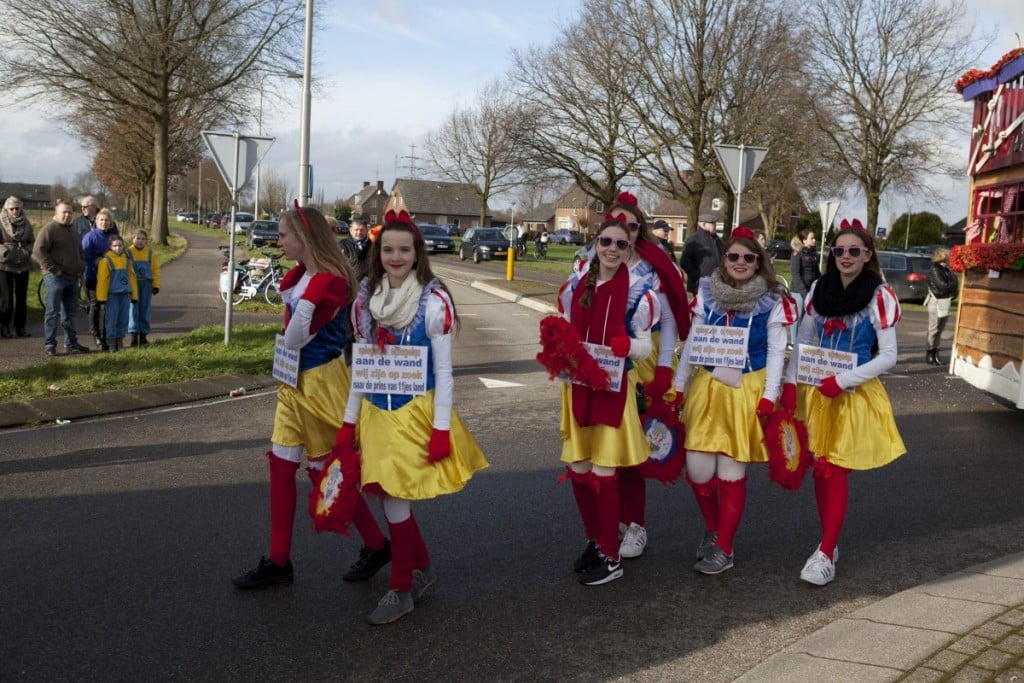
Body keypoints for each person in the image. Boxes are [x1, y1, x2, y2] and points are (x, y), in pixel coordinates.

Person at [336, 208, 488, 624]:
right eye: (388, 249)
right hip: (375, 414)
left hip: (413, 413)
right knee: (391, 498)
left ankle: (400, 588)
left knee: (395, 500)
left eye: (404, 249)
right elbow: (362, 368)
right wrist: (349, 422)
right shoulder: (366, 301)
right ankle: (419, 568)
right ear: (378, 252)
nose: (396, 257)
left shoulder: (433, 302)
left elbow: (444, 372)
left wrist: (441, 430)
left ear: (417, 253)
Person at [233, 204, 392, 591]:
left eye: (284, 235)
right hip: (292, 381)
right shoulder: (301, 276)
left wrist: (304, 306)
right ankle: (278, 559)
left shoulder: (329, 281)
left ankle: (378, 545)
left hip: (321, 384)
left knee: (329, 473)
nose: (279, 242)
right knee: (281, 466)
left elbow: (294, 337)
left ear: (304, 238)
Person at [781, 219, 906, 586]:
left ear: (867, 255)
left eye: (854, 250)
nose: (846, 256)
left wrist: (843, 380)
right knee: (820, 468)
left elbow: (889, 356)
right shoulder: (818, 289)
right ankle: (829, 544)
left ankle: (825, 553)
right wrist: (790, 384)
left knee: (834, 469)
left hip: (852, 394)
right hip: (817, 392)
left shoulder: (879, 296)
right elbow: (804, 343)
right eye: (839, 250)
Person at [673, 227, 796, 575]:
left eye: (748, 257)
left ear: (758, 262)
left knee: (730, 472)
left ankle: (725, 547)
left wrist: (770, 395)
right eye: (733, 256)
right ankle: (713, 528)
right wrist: (679, 385)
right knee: (698, 471)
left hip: (746, 389)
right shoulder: (707, 294)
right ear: (724, 259)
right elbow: (693, 344)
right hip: (707, 389)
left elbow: (776, 352)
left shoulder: (772, 301)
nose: (740, 262)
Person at [551, 217, 660, 586]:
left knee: (604, 471)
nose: (612, 249)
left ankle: (612, 556)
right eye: (606, 242)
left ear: (630, 249)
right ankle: (596, 540)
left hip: (614, 389)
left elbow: (644, 346)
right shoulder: (575, 284)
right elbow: (567, 328)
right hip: (578, 386)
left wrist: (629, 346)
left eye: (621, 244)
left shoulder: (640, 294)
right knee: (579, 468)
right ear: (595, 243)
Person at [32, 201, 90, 356]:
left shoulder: (73, 230)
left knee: (69, 313)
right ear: (56, 213)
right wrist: (53, 269)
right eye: (64, 212)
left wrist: (81, 265)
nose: (67, 215)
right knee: (52, 312)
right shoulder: (50, 229)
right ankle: (50, 345)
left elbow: (79, 250)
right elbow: (38, 250)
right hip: (55, 278)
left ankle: (71, 343)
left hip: (73, 277)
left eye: (70, 212)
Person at [82, 208, 121, 350]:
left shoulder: (114, 237)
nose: (104, 222)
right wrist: (95, 264)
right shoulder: (90, 237)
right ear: (97, 221)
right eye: (101, 220)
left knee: (109, 307)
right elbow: (85, 257)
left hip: (111, 277)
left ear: (111, 222)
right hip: (93, 276)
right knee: (95, 306)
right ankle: (96, 336)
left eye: (107, 220)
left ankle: (107, 335)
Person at [95, 234, 138, 352]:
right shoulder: (106, 261)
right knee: (112, 319)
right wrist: (101, 297)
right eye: (114, 246)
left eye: (120, 245)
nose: (118, 248)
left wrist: (134, 295)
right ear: (110, 247)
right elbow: (102, 280)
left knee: (123, 318)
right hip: (112, 295)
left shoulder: (127, 260)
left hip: (125, 294)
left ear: (123, 246)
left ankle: (120, 341)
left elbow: (132, 278)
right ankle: (111, 343)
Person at [0, 196, 34, 338]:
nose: (15, 211)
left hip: (23, 264)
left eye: (17, 208)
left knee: (21, 297)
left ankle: (20, 327)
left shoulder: (26, 223)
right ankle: (5, 326)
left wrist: (27, 251)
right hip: (5, 265)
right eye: (12, 209)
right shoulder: (0, 222)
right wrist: (5, 253)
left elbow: (32, 241)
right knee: (6, 298)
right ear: (6, 209)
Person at [127, 229, 161, 347]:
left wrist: (156, 285)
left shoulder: (150, 253)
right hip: (133, 285)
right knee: (133, 309)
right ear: (133, 239)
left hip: (146, 285)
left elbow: (155, 270)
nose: (140, 241)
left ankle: (143, 335)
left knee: (145, 309)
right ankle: (133, 335)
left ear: (146, 241)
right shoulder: (128, 252)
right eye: (138, 238)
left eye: (143, 239)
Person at [925, 247, 958, 365]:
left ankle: (936, 351)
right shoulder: (934, 270)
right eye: (944, 259)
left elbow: (954, 286)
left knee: (940, 329)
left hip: (945, 301)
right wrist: (953, 284)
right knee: (933, 328)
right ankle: (930, 351)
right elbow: (942, 286)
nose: (945, 262)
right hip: (936, 301)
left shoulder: (947, 270)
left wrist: (953, 286)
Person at [789, 228, 821, 347]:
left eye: (814, 238)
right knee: (797, 318)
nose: (814, 240)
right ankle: (793, 342)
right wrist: (804, 294)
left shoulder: (812, 254)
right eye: (811, 238)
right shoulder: (797, 253)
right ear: (804, 240)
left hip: (810, 291)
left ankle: (801, 342)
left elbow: (817, 273)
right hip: (798, 292)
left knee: (806, 319)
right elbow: (795, 275)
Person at [680, 213, 723, 294]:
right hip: (700, 285)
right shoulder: (693, 240)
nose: (715, 226)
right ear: (703, 224)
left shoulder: (718, 241)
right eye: (712, 223)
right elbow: (684, 262)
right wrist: (698, 277)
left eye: (715, 223)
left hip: (718, 284)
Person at [339, 217, 371, 281]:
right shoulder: (342, 245)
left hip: (368, 282)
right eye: (356, 230)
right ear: (351, 230)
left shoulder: (372, 245)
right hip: (349, 281)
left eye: (362, 230)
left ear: (366, 230)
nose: (359, 232)